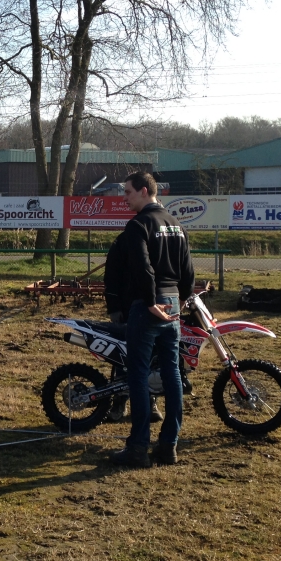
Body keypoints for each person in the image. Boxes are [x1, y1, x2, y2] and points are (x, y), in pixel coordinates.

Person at [106, 171, 195, 469]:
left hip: (149, 305)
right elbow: (188, 270)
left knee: (138, 374)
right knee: (172, 374)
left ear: (144, 191)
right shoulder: (175, 224)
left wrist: (149, 301)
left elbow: (143, 269)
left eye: (128, 192)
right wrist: (177, 302)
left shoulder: (138, 225)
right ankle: (169, 446)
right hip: (171, 304)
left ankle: (138, 448)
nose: (124, 197)